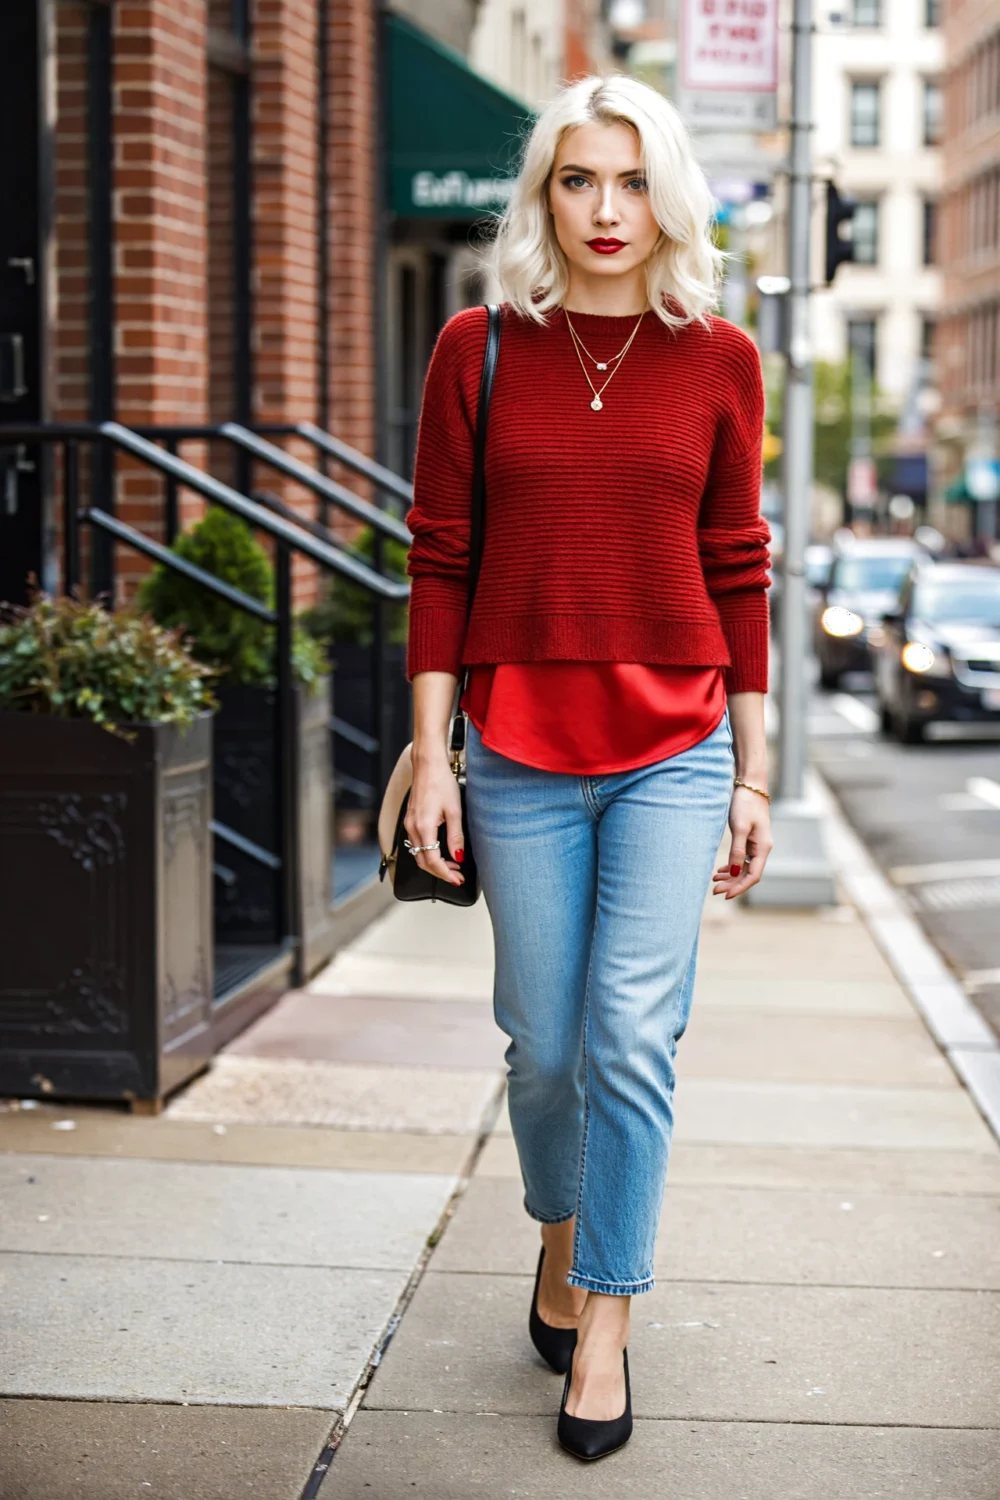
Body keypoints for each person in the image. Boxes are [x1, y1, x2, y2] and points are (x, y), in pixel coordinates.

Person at [402, 73, 773, 1462]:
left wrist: (751, 773)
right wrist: (432, 758)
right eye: (576, 180)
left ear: (663, 191)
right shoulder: (476, 346)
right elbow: (440, 560)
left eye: (628, 180)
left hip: (675, 746)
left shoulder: (719, 356)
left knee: (631, 1039)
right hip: (515, 747)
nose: (605, 210)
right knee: (544, 1047)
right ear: (542, 194)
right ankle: (559, 1230)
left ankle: (606, 1317)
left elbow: (740, 571)